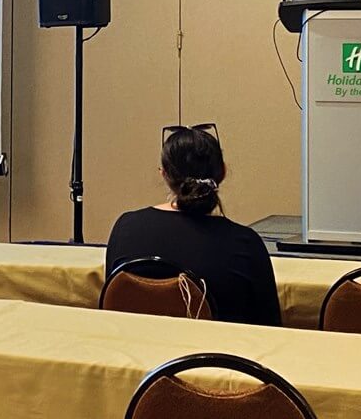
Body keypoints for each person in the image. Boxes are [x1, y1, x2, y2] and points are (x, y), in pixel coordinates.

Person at [105, 124, 281, 326]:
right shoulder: (245, 243)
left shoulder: (125, 228)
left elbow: (112, 313)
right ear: (222, 172)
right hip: (217, 347)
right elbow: (270, 328)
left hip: (135, 345)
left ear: (164, 174)